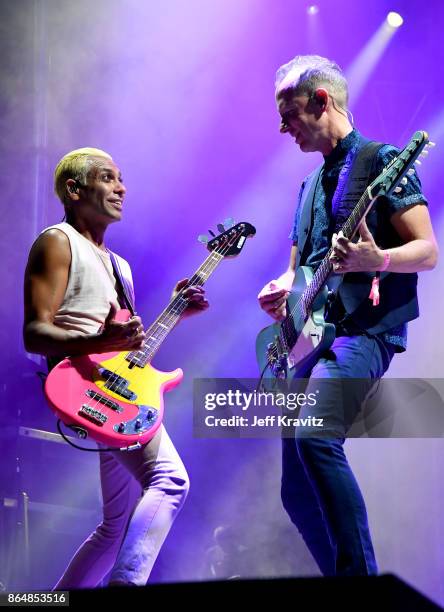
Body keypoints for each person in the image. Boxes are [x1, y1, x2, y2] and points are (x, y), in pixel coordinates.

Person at [258, 55, 438, 576]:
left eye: (288, 113)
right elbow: (297, 272)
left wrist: (376, 257)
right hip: (308, 335)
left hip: (361, 332)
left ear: (321, 101)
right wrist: (280, 288)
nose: (282, 127)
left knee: (316, 436)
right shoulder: (307, 188)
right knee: (296, 492)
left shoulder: (381, 161)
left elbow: (427, 250)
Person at [23, 147, 209, 588]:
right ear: (74, 189)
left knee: (114, 526)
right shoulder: (57, 241)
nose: (121, 188)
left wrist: (175, 312)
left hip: (115, 391)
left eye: (121, 179)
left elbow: (122, 344)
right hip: (80, 386)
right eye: (108, 178)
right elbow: (33, 333)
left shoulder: (119, 266)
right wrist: (99, 340)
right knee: (170, 480)